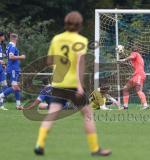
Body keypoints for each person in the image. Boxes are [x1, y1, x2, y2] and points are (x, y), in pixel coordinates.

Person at [34, 11, 111, 157]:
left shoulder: (56, 39)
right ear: (79, 25)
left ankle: (40, 144)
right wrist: (80, 85)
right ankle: (95, 149)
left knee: (51, 113)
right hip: (73, 84)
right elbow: (80, 64)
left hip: (57, 83)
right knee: (88, 114)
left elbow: (49, 61)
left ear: (66, 22)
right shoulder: (80, 40)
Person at [0, 33, 26, 110]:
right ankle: (0, 96)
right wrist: (21, 57)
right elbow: (11, 57)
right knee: (15, 87)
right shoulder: (12, 46)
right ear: (16, 38)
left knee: (17, 87)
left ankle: (18, 105)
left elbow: (6, 55)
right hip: (13, 69)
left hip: (12, 68)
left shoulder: (8, 46)